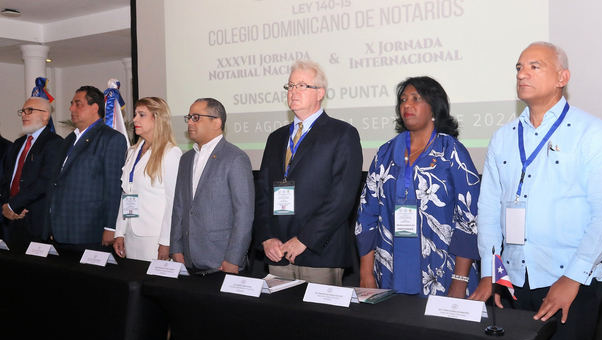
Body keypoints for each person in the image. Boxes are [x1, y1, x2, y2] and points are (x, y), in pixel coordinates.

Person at [472, 42, 602, 340]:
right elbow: (489, 209)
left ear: (562, 78)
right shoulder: (504, 137)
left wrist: (572, 278)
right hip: (512, 281)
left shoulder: (592, 133)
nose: (522, 73)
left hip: (570, 282)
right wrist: (491, 272)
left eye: (534, 66)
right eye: (519, 67)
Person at [356, 76, 480, 297]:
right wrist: (366, 273)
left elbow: (469, 220)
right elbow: (367, 215)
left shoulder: (451, 152)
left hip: (443, 274)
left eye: (416, 98)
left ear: (434, 107)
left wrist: (460, 281)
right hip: (388, 271)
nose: (407, 105)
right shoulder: (385, 153)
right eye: (403, 99)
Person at [254, 60, 362, 286]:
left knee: (320, 322)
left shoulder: (342, 134)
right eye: (290, 86)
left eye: (302, 86)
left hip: (320, 253)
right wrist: (266, 238)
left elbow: (342, 198)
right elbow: (263, 193)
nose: (293, 92)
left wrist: (305, 239)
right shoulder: (275, 138)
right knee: (279, 321)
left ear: (320, 93)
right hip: (278, 253)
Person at [169, 98, 254, 274]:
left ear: (217, 122)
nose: (190, 123)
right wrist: (176, 248)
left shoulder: (235, 158)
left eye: (196, 117)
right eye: (189, 117)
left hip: (221, 261)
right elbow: (179, 206)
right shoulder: (186, 159)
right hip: (188, 260)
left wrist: (233, 258)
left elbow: (244, 214)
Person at [45, 86, 127, 253]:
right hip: (61, 229)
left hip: (90, 231)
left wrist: (111, 227)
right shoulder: (68, 140)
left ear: (95, 107)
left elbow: (114, 187)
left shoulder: (111, 138)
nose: (71, 108)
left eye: (78, 104)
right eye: (71, 104)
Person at [113, 97, 181, 261]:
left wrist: (166, 241)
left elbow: (173, 202)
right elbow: (126, 193)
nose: (135, 119)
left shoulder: (171, 153)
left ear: (157, 118)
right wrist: (119, 232)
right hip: (130, 234)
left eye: (141, 115)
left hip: (154, 237)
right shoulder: (132, 151)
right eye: (135, 114)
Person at [0, 97, 62, 252]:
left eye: (30, 110)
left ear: (45, 115)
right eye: (22, 111)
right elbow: (7, 179)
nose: (24, 115)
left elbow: (44, 181)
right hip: (11, 221)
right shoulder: (17, 144)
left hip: (36, 222)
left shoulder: (54, 143)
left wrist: (14, 205)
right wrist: (6, 206)